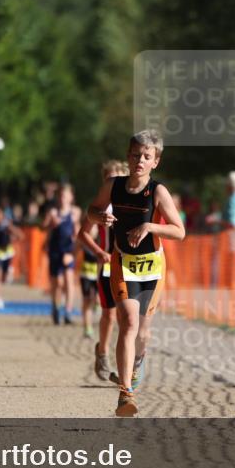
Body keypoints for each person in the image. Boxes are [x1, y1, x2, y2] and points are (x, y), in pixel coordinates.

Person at [87, 129, 185, 417]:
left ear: (156, 161)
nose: (140, 160)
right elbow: (90, 211)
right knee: (128, 323)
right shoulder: (113, 186)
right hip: (122, 263)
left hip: (152, 268)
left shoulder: (158, 192)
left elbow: (179, 231)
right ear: (128, 157)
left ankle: (138, 360)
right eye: (135, 155)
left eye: (147, 156)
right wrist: (100, 216)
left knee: (143, 332)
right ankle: (125, 394)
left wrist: (150, 227)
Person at [78, 159, 129, 379]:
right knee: (109, 314)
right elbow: (83, 234)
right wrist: (99, 252)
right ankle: (102, 353)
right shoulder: (102, 207)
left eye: (114, 177)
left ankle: (126, 365)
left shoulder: (133, 202)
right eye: (107, 178)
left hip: (131, 266)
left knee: (127, 316)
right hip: (108, 266)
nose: (110, 182)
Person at [43, 183, 80, 325]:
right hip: (55, 250)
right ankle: (56, 307)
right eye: (61, 196)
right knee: (56, 283)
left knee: (69, 282)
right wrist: (50, 222)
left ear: (71, 197)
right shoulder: (53, 212)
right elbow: (43, 227)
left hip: (68, 251)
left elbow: (77, 232)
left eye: (65, 196)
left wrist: (74, 249)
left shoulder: (75, 212)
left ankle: (68, 311)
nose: (63, 198)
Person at [0, 205, 23, 310]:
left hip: (8, 253)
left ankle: (10, 271)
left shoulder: (7, 224)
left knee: (3, 278)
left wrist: (12, 237)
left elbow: (20, 235)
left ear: (2, 215)